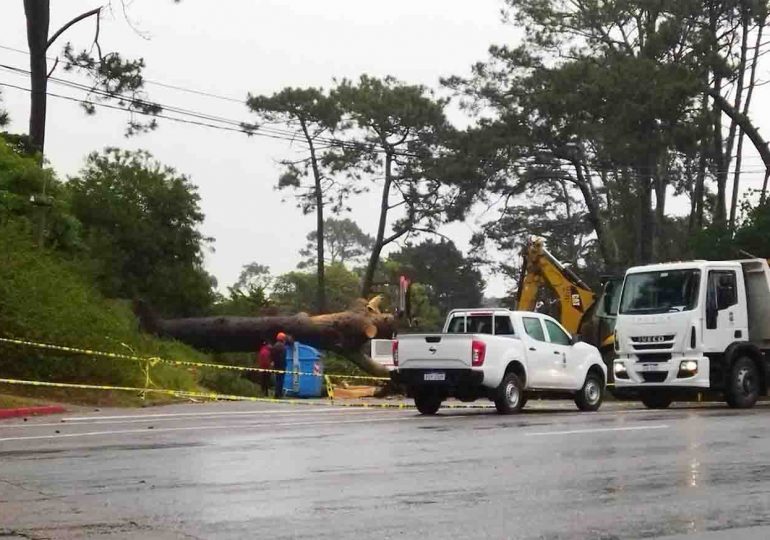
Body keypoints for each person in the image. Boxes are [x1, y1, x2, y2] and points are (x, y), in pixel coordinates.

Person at [271, 332, 287, 398]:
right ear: (283, 339)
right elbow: (283, 357)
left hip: (276, 365)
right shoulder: (283, 347)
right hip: (281, 365)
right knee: (281, 380)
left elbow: (272, 356)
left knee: (277, 380)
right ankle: (279, 394)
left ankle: (276, 394)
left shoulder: (274, 346)